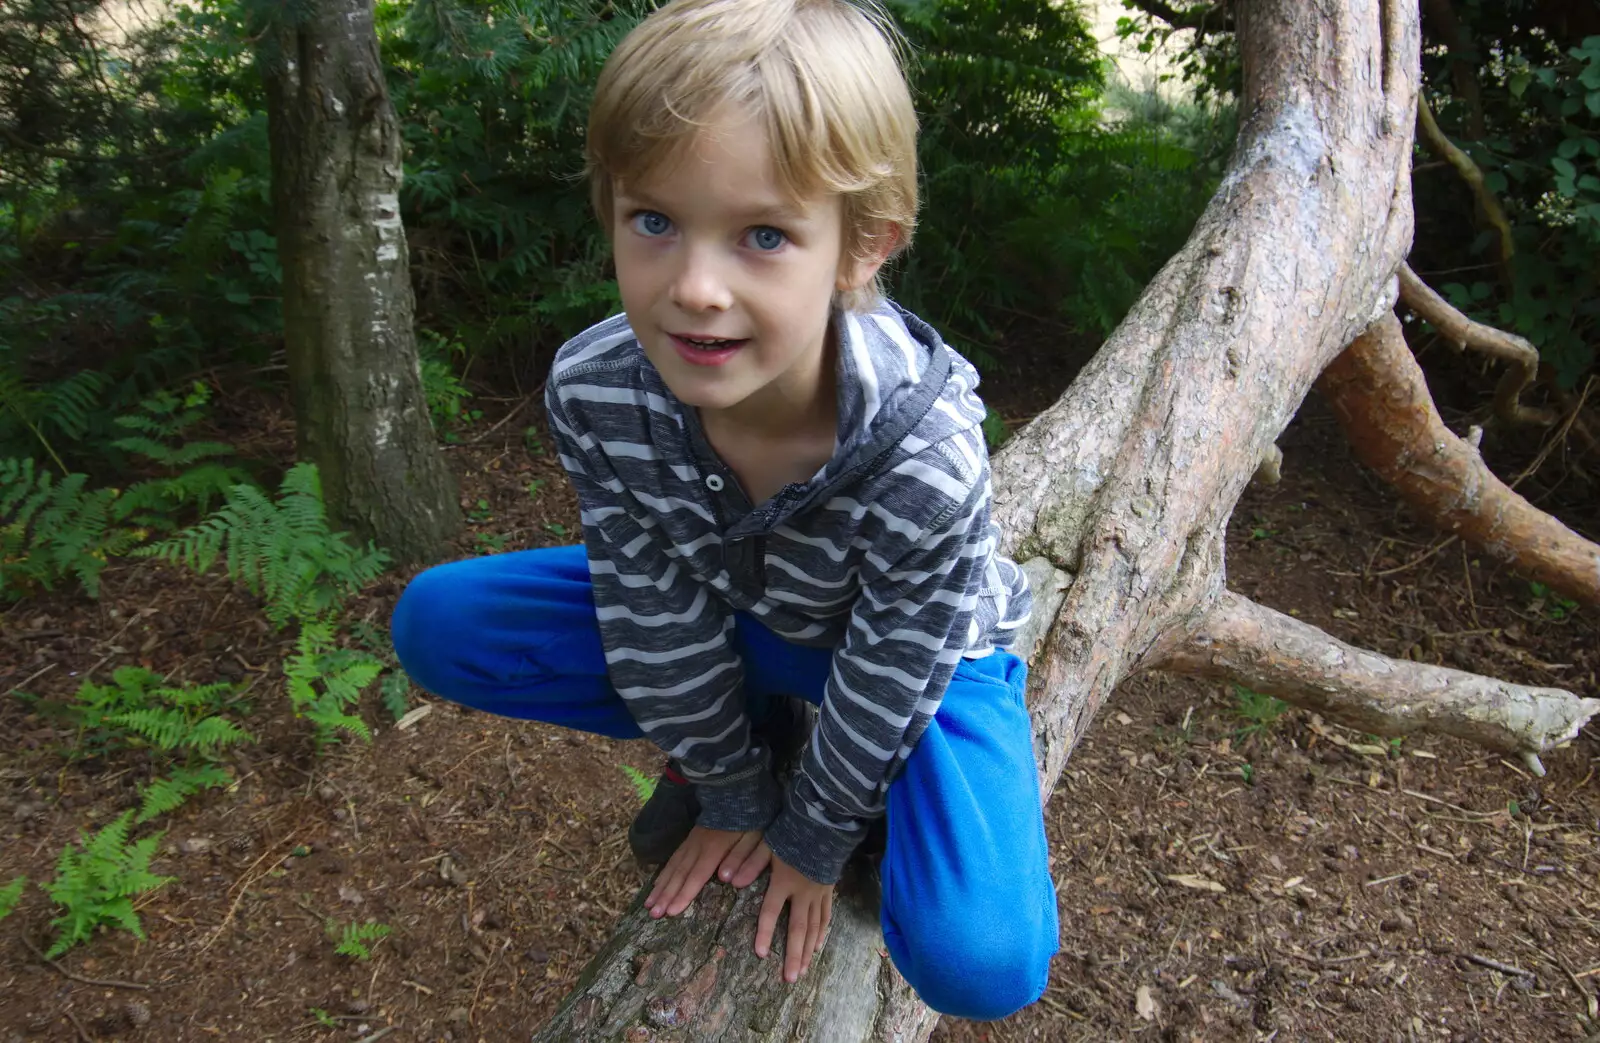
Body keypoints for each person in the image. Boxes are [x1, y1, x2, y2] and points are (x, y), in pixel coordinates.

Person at [391, 0, 1057, 1020]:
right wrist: (734, 786)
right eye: (654, 220)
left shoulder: (925, 456)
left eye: (762, 235)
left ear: (860, 246)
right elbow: (647, 599)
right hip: (737, 621)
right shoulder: (596, 388)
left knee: (985, 960)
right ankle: (758, 730)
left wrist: (812, 833)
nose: (695, 288)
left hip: (915, 658)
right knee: (442, 623)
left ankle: (845, 770)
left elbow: (893, 660)